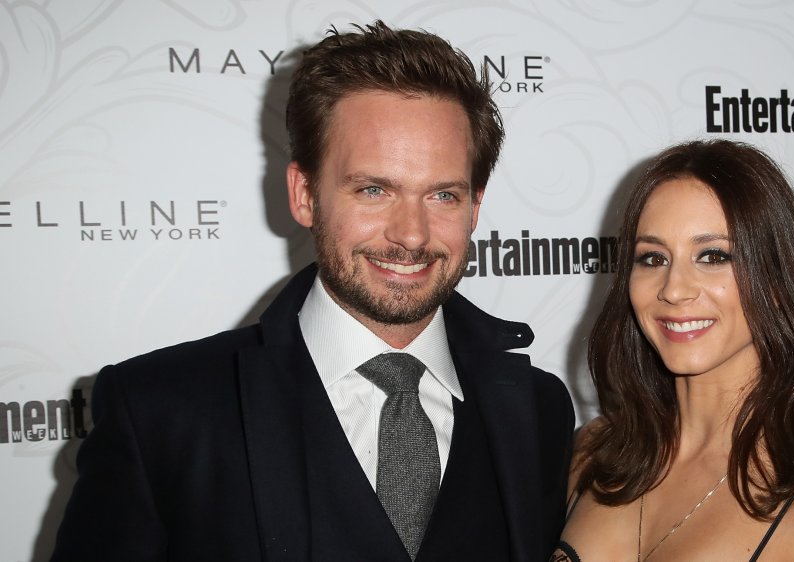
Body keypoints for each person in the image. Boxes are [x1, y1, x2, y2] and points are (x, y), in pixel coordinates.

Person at [52, 21, 574, 562]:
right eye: (374, 189)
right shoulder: (157, 412)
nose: (411, 234)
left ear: (475, 206)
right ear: (304, 195)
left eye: (443, 195)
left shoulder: (539, 410)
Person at [552, 140, 794, 561]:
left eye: (712, 255)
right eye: (652, 258)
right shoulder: (595, 452)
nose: (673, 289)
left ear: (778, 284)